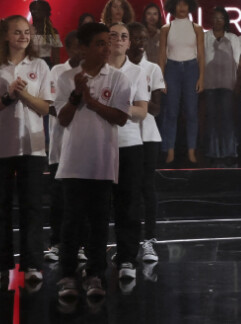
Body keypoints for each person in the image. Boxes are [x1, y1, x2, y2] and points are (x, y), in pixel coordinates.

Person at [54, 22, 131, 300]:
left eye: (108, 42)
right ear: (84, 47)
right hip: (73, 161)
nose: (107, 48)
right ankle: (66, 276)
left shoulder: (119, 78)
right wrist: (77, 95)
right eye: (100, 43)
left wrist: (92, 101)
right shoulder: (66, 78)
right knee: (71, 223)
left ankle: (95, 274)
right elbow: (62, 118)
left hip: (102, 162)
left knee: (99, 223)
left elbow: (121, 117)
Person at [0, 15, 52, 286]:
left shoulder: (40, 65)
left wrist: (22, 95)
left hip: (33, 147)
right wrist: (8, 96)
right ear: (5, 36)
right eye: (17, 32)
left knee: (32, 207)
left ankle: (33, 263)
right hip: (0, 145)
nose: (23, 37)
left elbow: (46, 107)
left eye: (27, 32)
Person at [108, 22, 149, 284]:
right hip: (98, 144)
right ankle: (93, 261)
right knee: (98, 206)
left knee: (129, 206)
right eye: (115, 36)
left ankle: (126, 258)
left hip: (130, 144)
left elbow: (142, 110)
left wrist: (118, 108)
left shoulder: (137, 72)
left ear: (128, 42)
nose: (120, 40)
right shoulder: (96, 70)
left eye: (124, 37)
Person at [126, 22, 165, 264]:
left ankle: (149, 240)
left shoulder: (153, 68)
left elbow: (157, 109)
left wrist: (136, 102)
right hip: (125, 136)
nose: (140, 43)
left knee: (147, 189)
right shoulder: (116, 68)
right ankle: (127, 242)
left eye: (143, 39)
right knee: (126, 192)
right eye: (135, 39)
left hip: (148, 137)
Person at [44, 31, 83, 262]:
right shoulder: (56, 72)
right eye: (76, 47)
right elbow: (50, 105)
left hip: (82, 147)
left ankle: (79, 245)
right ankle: (56, 243)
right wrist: (67, 106)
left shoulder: (90, 73)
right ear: (68, 48)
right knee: (58, 200)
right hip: (59, 146)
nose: (80, 51)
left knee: (79, 202)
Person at [159, 0, 204, 165]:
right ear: (173, 7)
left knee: (192, 112)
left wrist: (201, 78)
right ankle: (169, 150)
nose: (182, 7)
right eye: (178, 4)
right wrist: (161, 78)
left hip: (192, 69)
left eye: (185, 3)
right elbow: (162, 56)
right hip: (172, 69)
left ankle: (192, 151)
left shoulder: (197, 28)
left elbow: (201, 55)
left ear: (190, 6)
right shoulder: (166, 28)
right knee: (171, 112)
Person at [203, 7, 241, 167]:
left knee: (226, 119)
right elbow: (200, 60)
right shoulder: (205, 37)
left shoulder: (233, 38)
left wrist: (238, 83)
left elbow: (238, 62)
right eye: (215, 17)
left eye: (221, 18)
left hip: (227, 84)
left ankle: (229, 152)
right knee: (211, 119)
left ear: (225, 20)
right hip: (209, 84)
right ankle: (212, 153)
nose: (218, 21)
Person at [29, 0, 62, 67]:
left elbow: (56, 57)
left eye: (38, 9)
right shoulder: (26, 31)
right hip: (29, 65)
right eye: (32, 10)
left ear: (45, 12)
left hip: (46, 65)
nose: (35, 12)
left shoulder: (52, 32)